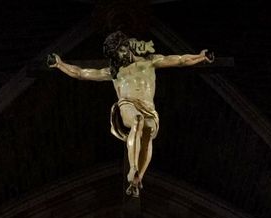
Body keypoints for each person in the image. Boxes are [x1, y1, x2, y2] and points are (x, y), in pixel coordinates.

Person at [49, 33, 212, 195]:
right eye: (116, 54)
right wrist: (59, 64)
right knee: (138, 120)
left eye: (121, 50)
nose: (120, 56)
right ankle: (132, 168)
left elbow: (180, 60)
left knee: (147, 133)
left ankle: (138, 178)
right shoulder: (115, 73)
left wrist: (201, 57)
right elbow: (81, 73)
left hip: (149, 108)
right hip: (127, 104)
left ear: (126, 46)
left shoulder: (150, 62)